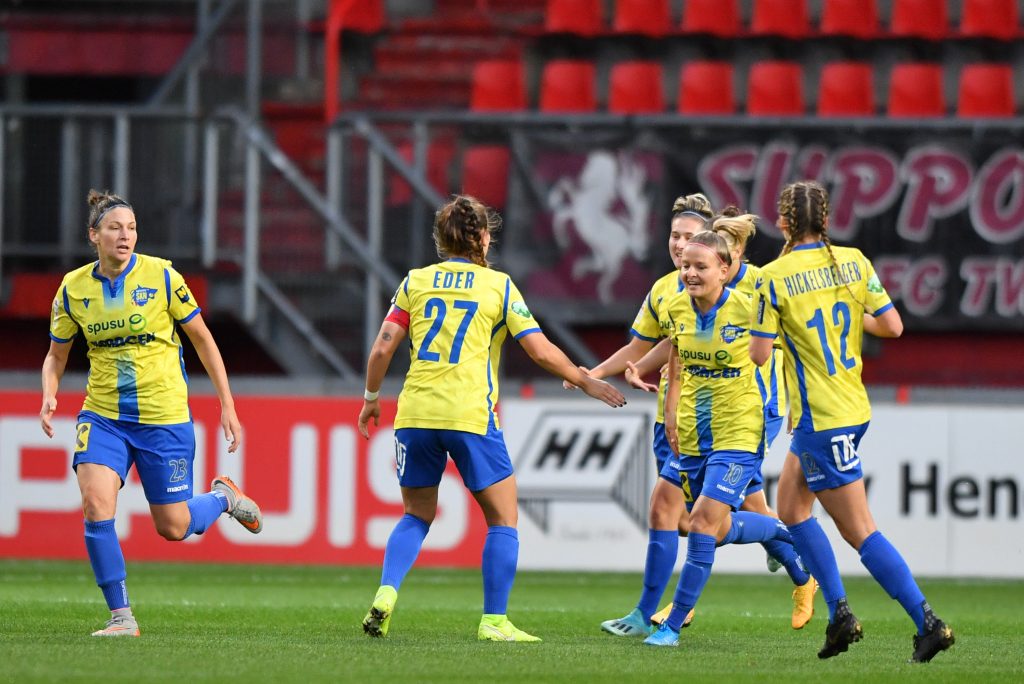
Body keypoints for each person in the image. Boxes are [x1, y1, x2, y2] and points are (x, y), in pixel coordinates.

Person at [356, 195, 626, 642]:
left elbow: (383, 346)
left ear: (441, 239)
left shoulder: (415, 282)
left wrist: (370, 398)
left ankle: (386, 593)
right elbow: (539, 350)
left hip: (416, 413)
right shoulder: (498, 286)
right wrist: (584, 380)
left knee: (416, 515)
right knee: (503, 519)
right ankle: (494, 621)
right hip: (470, 414)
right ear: (484, 237)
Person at [40, 190, 262, 638]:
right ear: (94, 236)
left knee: (174, 527)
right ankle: (121, 616)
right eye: (115, 228)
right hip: (102, 416)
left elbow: (201, 338)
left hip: (163, 418)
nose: (125, 236)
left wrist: (227, 404)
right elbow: (56, 356)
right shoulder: (73, 288)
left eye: (132, 228)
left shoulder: (162, 276)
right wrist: (49, 393)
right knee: (96, 503)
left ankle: (223, 498)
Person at [749, 180, 955, 662]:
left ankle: (928, 621)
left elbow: (760, 354)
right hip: (851, 407)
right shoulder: (854, 261)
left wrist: (785, 326)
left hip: (823, 416)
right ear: (826, 219)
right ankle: (838, 613)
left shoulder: (772, 277)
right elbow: (892, 326)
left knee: (860, 530)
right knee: (792, 508)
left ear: (782, 223)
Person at [604, 212, 816, 638]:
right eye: (685, 264)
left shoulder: (749, 306)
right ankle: (780, 533)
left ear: (726, 268)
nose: (688, 270)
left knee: (700, 522)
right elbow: (674, 349)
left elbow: (792, 346)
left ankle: (671, 624)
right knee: (704, 527)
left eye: (699, 265)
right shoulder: (674, 303)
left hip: (740, 428)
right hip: (694, 432)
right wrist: (641, 374)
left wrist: (800, 401)